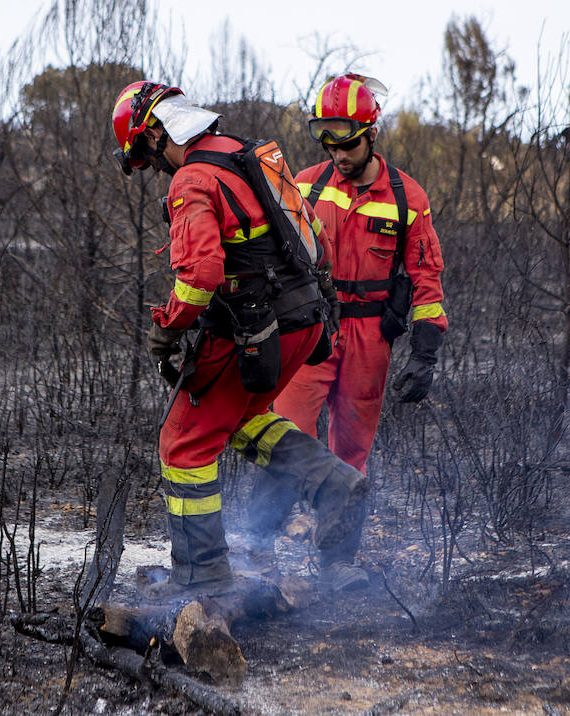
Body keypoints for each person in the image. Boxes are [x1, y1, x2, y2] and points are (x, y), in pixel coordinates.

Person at [110, 79, 369, 597]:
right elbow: (314, 235)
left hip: (252, 331)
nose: (151, 166)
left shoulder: (191, 179)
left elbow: (202, 274)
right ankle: (332, 482)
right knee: (245, 418)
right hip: (304, 322)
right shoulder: (250, 153)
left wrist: (167, 329)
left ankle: (202, 577)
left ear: (159, 134)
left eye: (144, 152)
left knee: (182, 444)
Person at [261, 73, 448, 592]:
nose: (338, 153)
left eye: (347, 141)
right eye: (328, 139)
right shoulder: (305, 184)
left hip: (370, 337)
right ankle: (256, 546)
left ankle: (336, 560)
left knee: (352, 450)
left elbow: (426, 276)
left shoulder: (408, 198)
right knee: (286, 434)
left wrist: (425, 351)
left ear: (370, 133)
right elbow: (273, 254)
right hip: (314, 327)